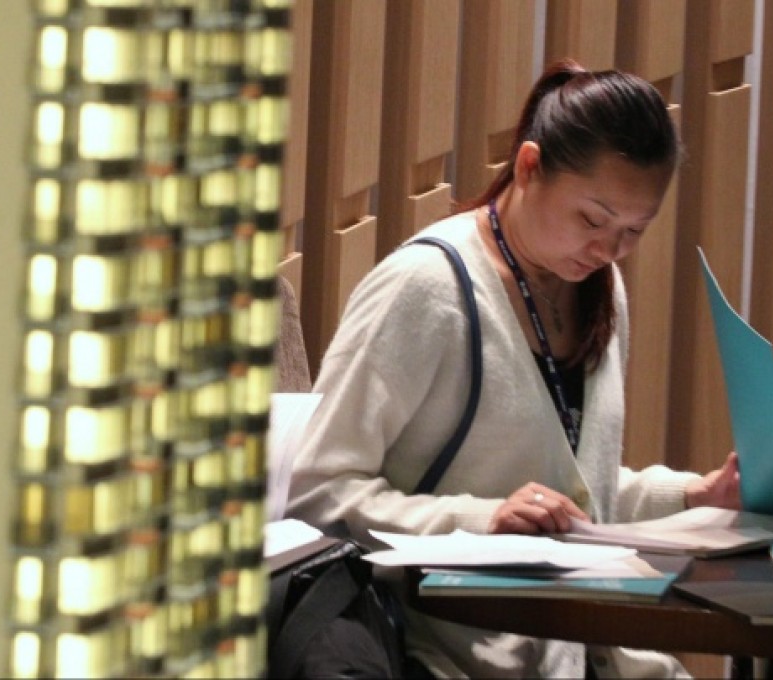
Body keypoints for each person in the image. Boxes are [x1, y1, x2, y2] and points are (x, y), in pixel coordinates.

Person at [286, 59, 741, 679]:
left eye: (635, 230)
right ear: (529, 167)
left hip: (590, 650)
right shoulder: (426, 287)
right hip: (452, 656)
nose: (609, 250)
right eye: (592, 219)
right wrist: (484, 521)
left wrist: (692, 495)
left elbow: (568, 496)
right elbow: (319, 493)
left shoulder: (598, 288)